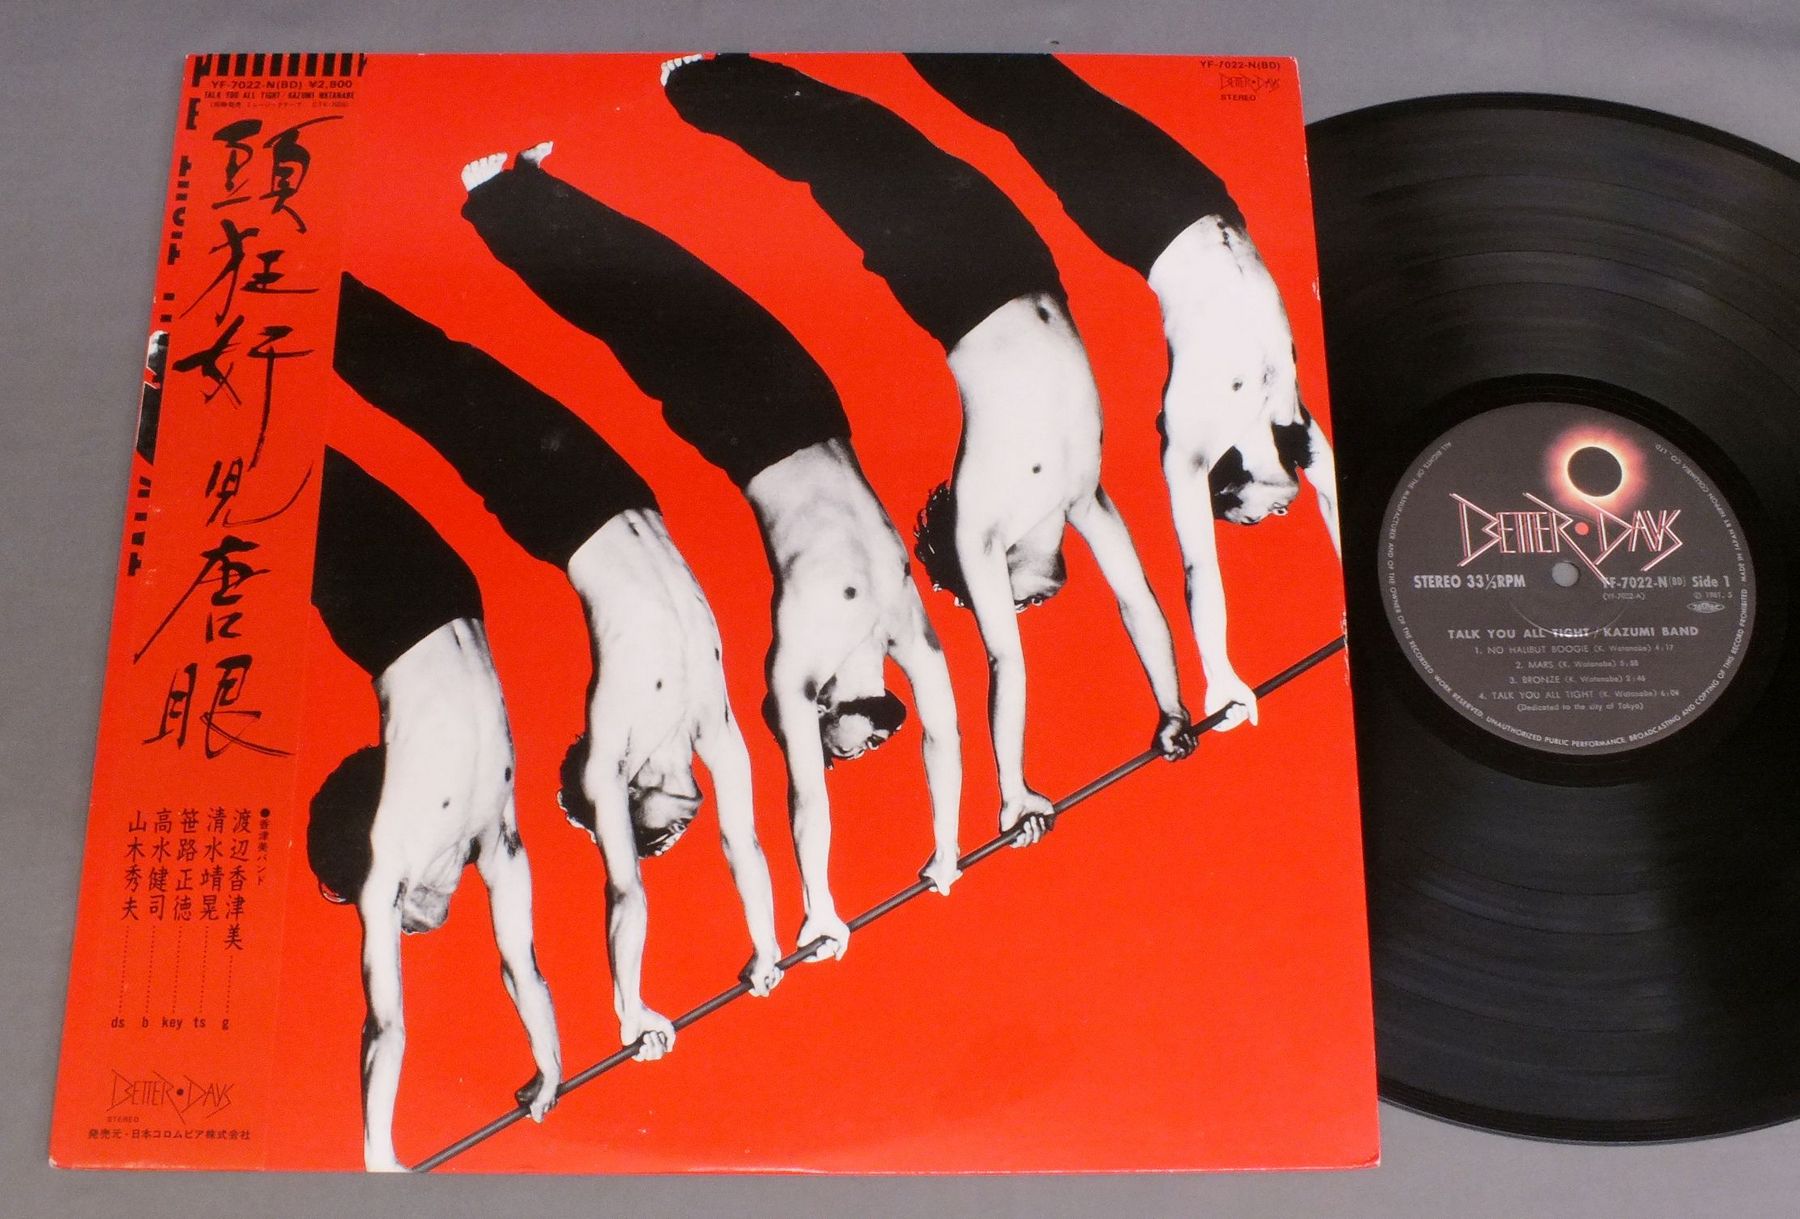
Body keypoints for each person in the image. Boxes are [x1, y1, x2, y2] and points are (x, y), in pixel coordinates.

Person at [663, 53, 1192, 843]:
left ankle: (702, 85)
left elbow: (1007, 663)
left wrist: (1010, 786)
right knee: (882, 140)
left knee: (858, 149)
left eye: (1011, 603)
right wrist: (1172, 705)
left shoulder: (984, 523)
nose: (1026, 608)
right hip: (1026, 264)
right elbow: (1139, 600)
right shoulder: (1085, 497)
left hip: (954, 287)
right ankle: (720, 80)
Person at [456, 142, 965, 961]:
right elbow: (944, 733)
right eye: (871, 746)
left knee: (636, 313)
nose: (869, 749)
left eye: (848, 751)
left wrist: (818, 906)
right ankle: (538, 185)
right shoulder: (907, 630)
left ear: (819, 724)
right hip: (817, 408)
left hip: (748, 433)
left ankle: (495, 203)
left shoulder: (798, 672)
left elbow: (803, 802)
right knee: (684, 279)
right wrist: (947, 846)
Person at [331, 274, 783, 1067]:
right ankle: (318, 303)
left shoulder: (614, 751)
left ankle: (304, 315)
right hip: (625, 493)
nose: (674, 833)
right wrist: (771, 942)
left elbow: (624, 890)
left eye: (654, 834)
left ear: (623, 797)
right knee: (453, 373)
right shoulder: (713, 727)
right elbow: (743, 841)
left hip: (556, 510)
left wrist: (627, 1005)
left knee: (440, 388)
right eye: (671, 835)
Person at [907, 53, 1342, 731]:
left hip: (1139, 218)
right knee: (1042, 92)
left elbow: (1199, 571)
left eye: (1249, 520)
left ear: (1226, 490)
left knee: (1029, 102)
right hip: (1206, 198)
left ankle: (926, 40)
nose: (1272, 519)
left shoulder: (1193, 441)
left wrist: (1217, 670)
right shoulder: (1290, 421)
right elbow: (1337, 500)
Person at [307, 448, 561, 1173]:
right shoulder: (495, 838)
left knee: (284, 481)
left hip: (387, 615)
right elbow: (523, 965)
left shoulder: (395, 854)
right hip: (450, 589)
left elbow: (385, 1024)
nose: (412, 934)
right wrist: (549, 1062)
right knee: (306, 476)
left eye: (401, 929)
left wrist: (377, 1155)